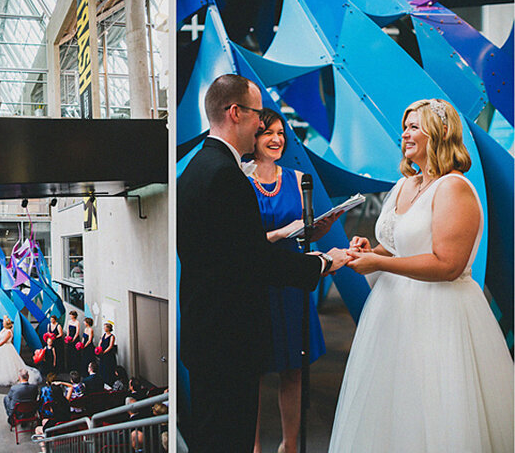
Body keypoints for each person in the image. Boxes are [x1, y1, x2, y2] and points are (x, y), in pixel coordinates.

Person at [329, 99, 514, 452]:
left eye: (415, 126)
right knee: (392, 405)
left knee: (436, 405)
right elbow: (396, 246)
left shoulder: (454, 188)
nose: (405, 133)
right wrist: (371, 251)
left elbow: (448, 265)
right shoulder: (403, 185)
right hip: (391, 313)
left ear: (441, 134)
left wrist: (380, 264)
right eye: (405, 126)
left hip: (439, 314)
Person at [177, 74, 348, 453]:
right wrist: (322, 264)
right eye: (257, 116)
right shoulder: (226, 176)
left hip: (206, 334)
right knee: (229, 438)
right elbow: (253, 259)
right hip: (227, 339)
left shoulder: (194, 171)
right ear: (236, 113)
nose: (261, 125)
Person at [249, 108, 341, 453]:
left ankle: (289, 445)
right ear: (253, 137)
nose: (276, 139)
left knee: (294, 369)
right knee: (253, 372)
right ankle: (253, 445)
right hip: (257, 282)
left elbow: (303, 232)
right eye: (267, 133)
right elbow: (241, 242)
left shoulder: (299, 177)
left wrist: (317, 229)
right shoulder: (239, 180)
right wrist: (278, 234)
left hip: (291, 282)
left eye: (281, 133)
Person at [0, 317, 41, 387]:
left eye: (3, 322)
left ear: (6, 324)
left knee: (8, 362)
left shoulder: (9, 332)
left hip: (6, 347)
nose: (2, 323)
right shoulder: (4, 329)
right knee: (0, 363)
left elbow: (4, 341)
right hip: (1, 348)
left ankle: (12, 377)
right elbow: (0, 337)